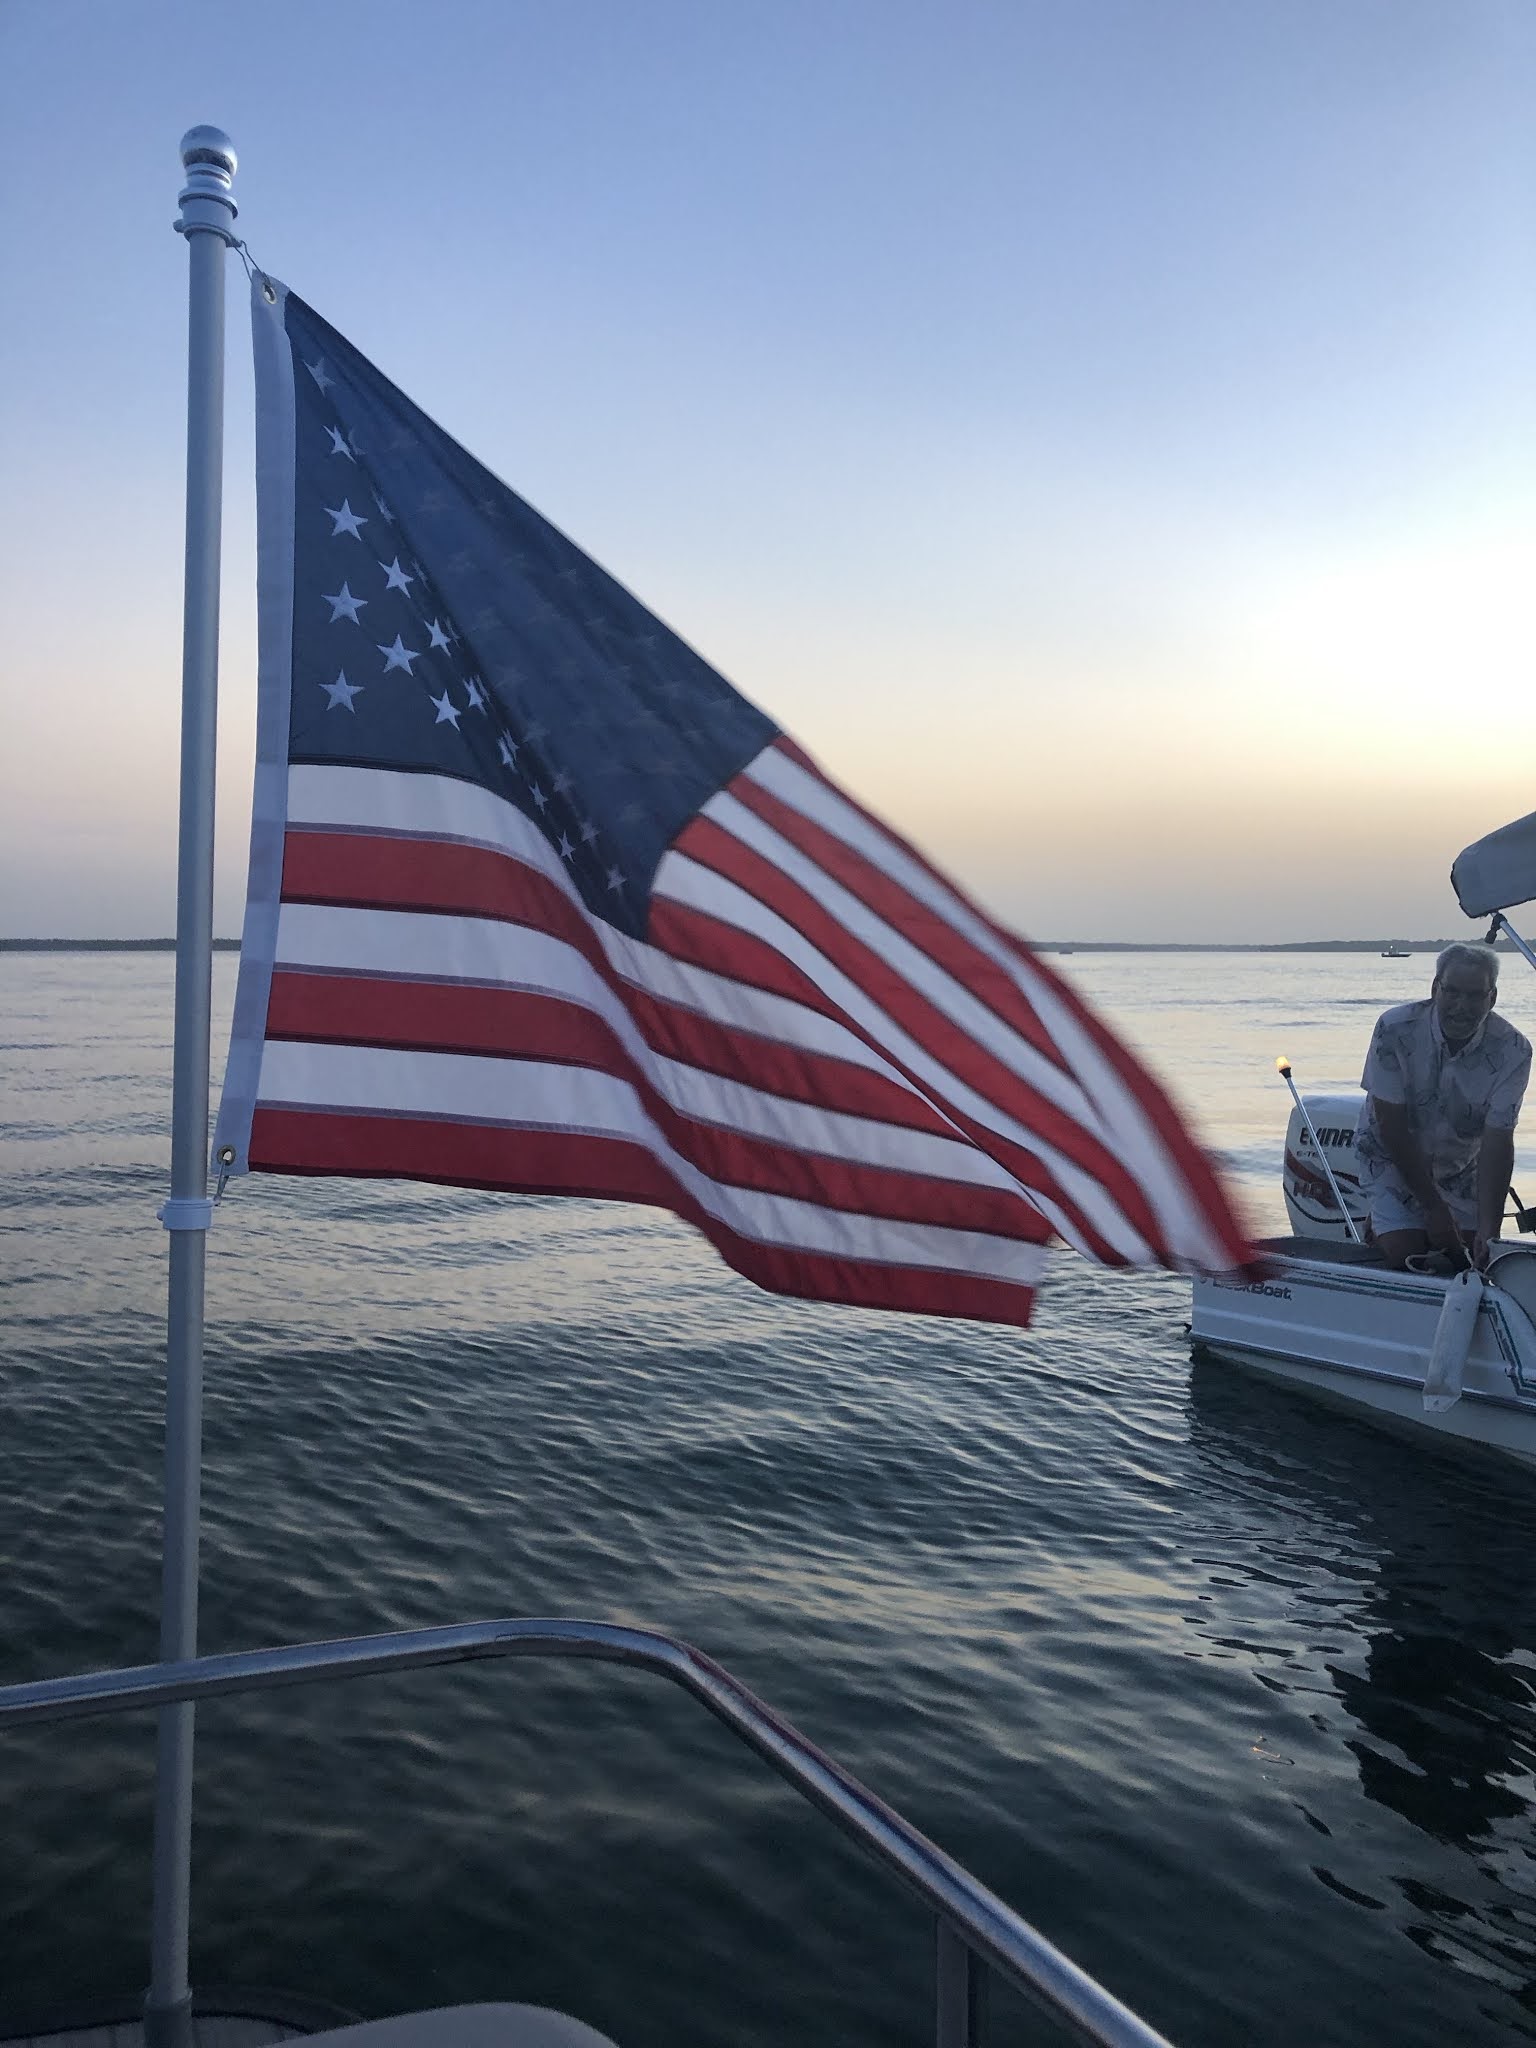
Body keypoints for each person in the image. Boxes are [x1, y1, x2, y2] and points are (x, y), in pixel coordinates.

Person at [1354, 943, 1531, 1270]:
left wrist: (1489, 1231)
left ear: (1492, 997)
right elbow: (1391, 1124)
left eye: (1476, 996)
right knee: (1410, 1256)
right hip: (1389, 1154)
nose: (1462, 1007)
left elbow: (1498, 1141)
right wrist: (1433, 1207)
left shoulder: (1514, 1050)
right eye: (1452, 993)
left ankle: (1393, 1220)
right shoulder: (1393, 1028)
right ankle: (1383, 1223)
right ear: (1435, 988)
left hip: (1459, 1164)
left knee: (1465, 1258)